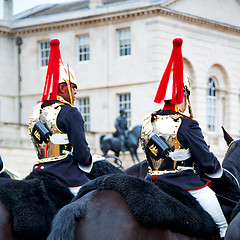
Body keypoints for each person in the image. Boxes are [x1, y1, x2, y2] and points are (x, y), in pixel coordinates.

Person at [140, 38, 228, 239]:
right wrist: (215, 169)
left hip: (151, 183)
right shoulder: (187, 123)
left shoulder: (147, 121)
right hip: (184, 184)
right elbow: (206, 161)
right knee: (222, 226)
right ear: (184, 95)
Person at [29, 39, 92, 196]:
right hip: (66, 174)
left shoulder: (36, 111)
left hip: (39, 170)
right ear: (63, 87)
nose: (75, 92)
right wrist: (89, 159)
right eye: (73, 87)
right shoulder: (70, 112)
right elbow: (82, 155)